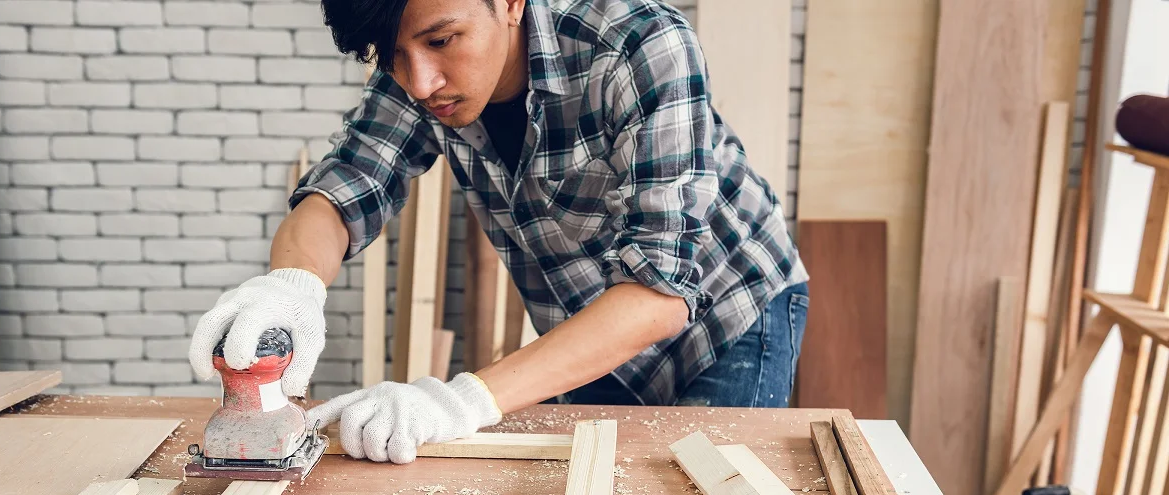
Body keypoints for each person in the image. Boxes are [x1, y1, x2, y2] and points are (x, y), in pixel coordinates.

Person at [189, 0, 808, 464]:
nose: (421, 83)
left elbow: (661, 292)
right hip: (590, 332)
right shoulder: (418, 72)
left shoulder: (639, 44)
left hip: (729, 312)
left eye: (441, 40)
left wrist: (458, 402)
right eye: (394, 57)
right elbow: (348, 185)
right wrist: (291, 287)